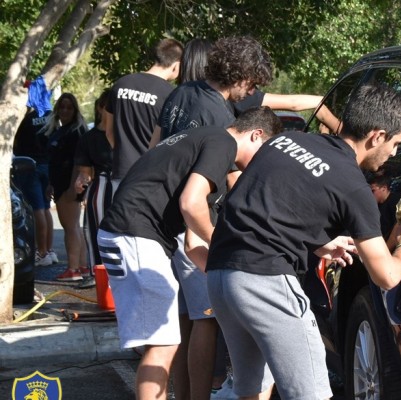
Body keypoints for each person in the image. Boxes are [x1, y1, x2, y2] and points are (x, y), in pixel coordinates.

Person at [205, 82, 401, 399]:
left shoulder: (286, 142)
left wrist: (318, 242)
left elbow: (261, 207)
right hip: (265, 282)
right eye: (395, 142)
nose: (394, 152)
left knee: (251, 391)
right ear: (376, 135)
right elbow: (386, 276)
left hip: (222, 275)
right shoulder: (353, 186)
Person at [96, 107, 283, 400]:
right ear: (256, 135)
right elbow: (190, 204)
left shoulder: (203, 143)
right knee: (162, 344)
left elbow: (192, 243)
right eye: (263, 154)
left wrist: (229, 275)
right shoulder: (223, 143)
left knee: (163, 342)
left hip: (133, 235)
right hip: (135, 234)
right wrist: (222, 243)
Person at [148, 35, 273, 400]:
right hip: (194, 224)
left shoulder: (180, 93)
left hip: (165, 221)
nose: (249, 91)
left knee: (186, 321)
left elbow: (153, 148)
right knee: (205, 319)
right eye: (251, 83)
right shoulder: (219, 114)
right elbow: (233, 177)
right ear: (241, 75)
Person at [103, 37, 183, 186]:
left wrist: (124, 155)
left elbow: (108, 131)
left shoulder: (121, 84)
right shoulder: (171, 94)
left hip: (120, 173)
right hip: (150, 176)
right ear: (176, 66)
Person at [40, 92, 88, 282]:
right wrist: (52, 183)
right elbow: (55, 160)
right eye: (62, 107)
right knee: (74, 226)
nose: (65, 111)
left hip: (69, 186)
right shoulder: (61, 130)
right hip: (60, 185)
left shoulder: (75, 132)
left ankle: (74, 268)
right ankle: (81, 266)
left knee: (70, 227)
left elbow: (78, 161)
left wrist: (72, 187)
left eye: (69, 107)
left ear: (75, 110)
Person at [13, 76, 58, 267]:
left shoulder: (25, 116)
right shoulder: (49, 113)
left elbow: (15, 142)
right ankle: (48, 250)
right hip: (47, 165)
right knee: (46, 209)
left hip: (29, 166)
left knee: (37, 209)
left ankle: (41, 252)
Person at [73, 89, 112, 289]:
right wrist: (81, 181)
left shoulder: (127, 134)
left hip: (126, 187)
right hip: (101, 188)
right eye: (108, 107)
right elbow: (86, 172)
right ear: (100, 108)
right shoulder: (89, 138)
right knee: (96, 232)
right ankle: (98, 275)